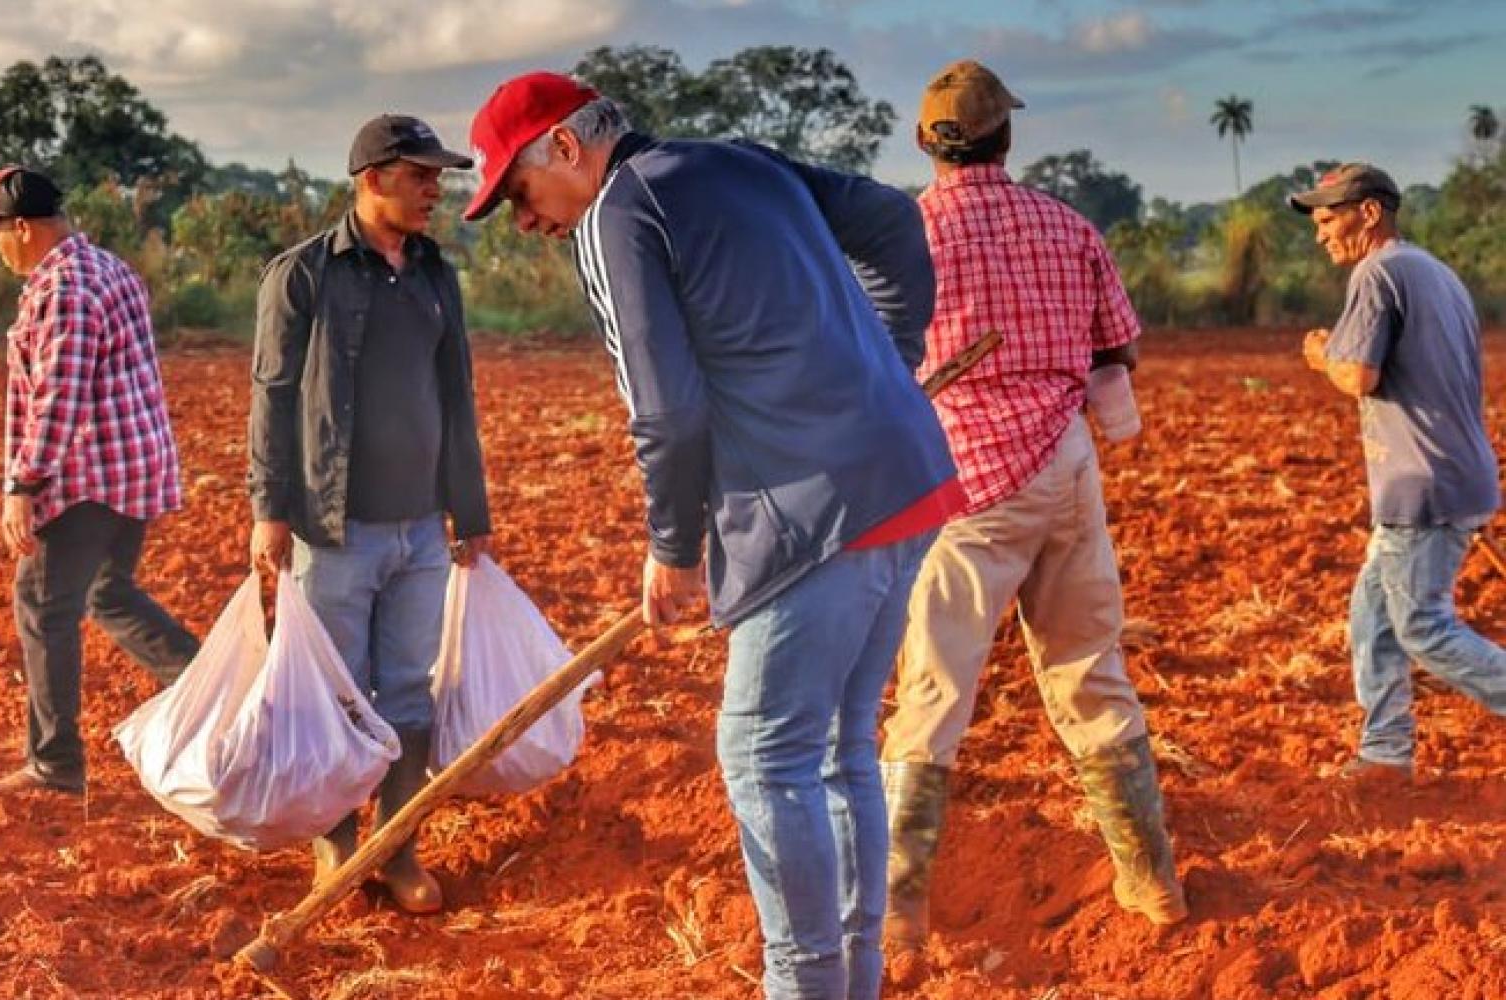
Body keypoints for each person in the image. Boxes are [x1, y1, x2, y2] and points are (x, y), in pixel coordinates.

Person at [464, 71, 962, 1000]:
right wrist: (886, 372)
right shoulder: (738, 163)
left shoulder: (618, 215)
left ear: (566, 148)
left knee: (764, 755)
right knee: (838, 749)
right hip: (905, 476)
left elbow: (666, 409)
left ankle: (803, 982)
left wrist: (674, 548)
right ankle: (851, 982)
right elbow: (895, 219)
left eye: (518, 193)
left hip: (812, 511)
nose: (525, 222)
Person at [876, 61, 1189, 970]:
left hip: (961, 483)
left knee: (934, 692)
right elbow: (1114, 348)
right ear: (1006, 138)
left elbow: (868, 365)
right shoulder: (1067, 224)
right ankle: (1152, 880)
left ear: (926, 144)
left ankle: (899, 913)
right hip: (1065, 465)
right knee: (1093, 667)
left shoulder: (903, 235)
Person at [247, 115, 493, 914]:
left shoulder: (434, 274)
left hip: (421, 526)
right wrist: (269, 512)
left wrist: (469, 506)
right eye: (422, 175)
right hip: (333, 528)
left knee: (409, 694)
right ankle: (338, 848)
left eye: (438, 177)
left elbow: (456, 393)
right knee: (338, 694)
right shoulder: (303, 275)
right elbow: (272, 401)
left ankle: (397, 847)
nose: (436, 190)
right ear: (374, 177)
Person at [0, 166, 199, 797]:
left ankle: (54, 764)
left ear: (22, 227)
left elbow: (58, 398)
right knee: (108, 593)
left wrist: (23, 485)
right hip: (133, 468)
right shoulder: (109, 268)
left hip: (87, 477)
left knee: (43, 607)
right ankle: (214, 691)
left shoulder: (63, 288)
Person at [1291, 162, 1506, 783]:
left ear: (1370, 213)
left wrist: (1319, 355)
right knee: (1373, 616)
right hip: (1444, 472)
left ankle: (1388, 750)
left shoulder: (1378, 271)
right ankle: (1385, 753)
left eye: (1328, 218)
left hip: (1423, 482)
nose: (1320, 233)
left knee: (1422, 627)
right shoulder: (1435, 271)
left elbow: (1359, 373)